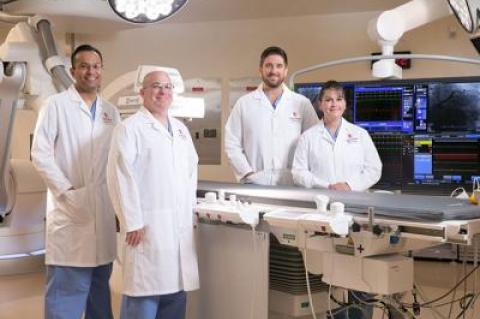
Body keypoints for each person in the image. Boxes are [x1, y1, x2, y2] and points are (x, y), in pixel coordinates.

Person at [31, 44, 120, 319]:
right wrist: (68, 191)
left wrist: (118, 205)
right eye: (84, 66)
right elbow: (40, 154)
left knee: (99, 295)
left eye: (96, 66)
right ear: (72, 71)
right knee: (64, 297)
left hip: (103, 214)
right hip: (70, 212)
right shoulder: (55, 105)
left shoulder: (111, 112)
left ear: (102, 70)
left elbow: (117, 161)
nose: (90, 72)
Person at [107, 70, 199, 319]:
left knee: (175, 296)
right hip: (145, 228)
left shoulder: (180, 130)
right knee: (143, 296)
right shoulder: (129, 129)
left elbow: (191, 173)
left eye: (167, 87)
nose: (162, 92)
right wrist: (131, 221)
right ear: (142, 93)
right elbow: (120, 176)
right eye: (156, 86)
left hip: (178, 229)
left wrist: (191, 214)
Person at [224, 46, 319, 185]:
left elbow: (314, 141)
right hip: (256, 181)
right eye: (268, 66)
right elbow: (231, 143)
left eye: (279, 66)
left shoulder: (302, 103)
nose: (274, 71)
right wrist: (247, 173)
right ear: (260, 69)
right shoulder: (244, 104)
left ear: (286, 71)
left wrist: (306, 174)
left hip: (293, 182)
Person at [292, 80, 382, 191]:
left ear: (344, 104)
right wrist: (327, 186)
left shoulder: (361, 134)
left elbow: (374, 169)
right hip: (321, 200)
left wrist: (349, 186)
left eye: (339, 99)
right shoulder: (307, 137)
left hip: (355, 201)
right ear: (320, 104)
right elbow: (298, 173)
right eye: (328, 100)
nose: (334, 104)